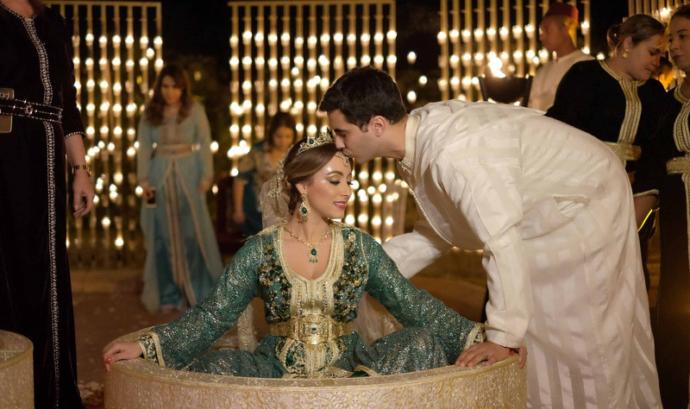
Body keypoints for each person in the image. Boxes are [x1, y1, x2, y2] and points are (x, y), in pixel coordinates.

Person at [320, 66, 663, 409]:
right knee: (535, 326)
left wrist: (502, 337)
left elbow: (500, 239)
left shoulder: (453, 153)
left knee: (575, 327)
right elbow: (434, 234)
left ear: (376, 124)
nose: (338, 144)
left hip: (585, 199)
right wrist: (354, 272)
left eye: (342, 132)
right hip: (539, 213)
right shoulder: (420, 143)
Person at [103, 132, 514, 378]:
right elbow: (214, 314)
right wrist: (150, 345)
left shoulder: (359, 247)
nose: (347, 191)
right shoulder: (262, 250)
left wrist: (484, 338)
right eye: (334, 181)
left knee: (420, 341)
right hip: (278, 370)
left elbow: (412, 305)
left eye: (349, 181)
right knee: (218, 367)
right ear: (301, 185)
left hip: (353, 369)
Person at [0, 0, 94, 409]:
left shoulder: (52, 20)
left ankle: (51, 399)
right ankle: (10, 405)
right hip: (4, 152)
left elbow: (67, 100)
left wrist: (81, 168)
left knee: (47, 273)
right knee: (8, 270)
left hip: (48, 158)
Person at [546, 14, 667, 286]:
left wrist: (644, 201)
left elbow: (657, 152)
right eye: (651, 52)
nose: (657, 62)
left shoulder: (654, 94)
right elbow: (561, 134)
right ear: (626, 44)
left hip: (631, 206)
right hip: (579, 202)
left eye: (660, 55)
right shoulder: (584, 77)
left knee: (624, 282)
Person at [634, 5, 690, 409]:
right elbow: (651, 157)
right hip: (676, 213)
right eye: (673, 37)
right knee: (675, 309)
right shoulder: (667, 99)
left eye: (684, 36)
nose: (674, 46)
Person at [137, 64, 223, 313]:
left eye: (175, 86)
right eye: (165, 86)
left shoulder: (194, 110)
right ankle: (168, 293)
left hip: (189, 173)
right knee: (162, 235)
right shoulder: (151, 112)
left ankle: (194, 293)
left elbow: (205, 142)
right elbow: (144, 146)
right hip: (159, 174)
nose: (170, 91)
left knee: (192, 234)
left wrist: (207, 175)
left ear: (183, 87)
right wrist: (143, 179)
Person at [233, 111, 296, 236]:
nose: (283, 141)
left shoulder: (295, 153)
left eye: (288, 136)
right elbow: (240, 180)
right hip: (257, 212)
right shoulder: (258, 152)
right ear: (271, 134)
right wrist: (238, 210)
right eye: (279, 136)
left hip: (287, 212)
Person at [527, 2, 593, 111]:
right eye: (541, 31)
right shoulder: (542, 71)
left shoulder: (588, 65)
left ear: (565, 29)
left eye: (547, 29)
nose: (541, 37)